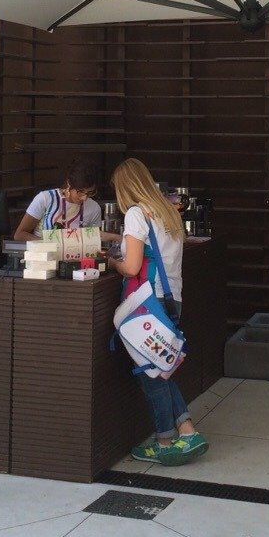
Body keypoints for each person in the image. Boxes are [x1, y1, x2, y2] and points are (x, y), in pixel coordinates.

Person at [109, 157, 208, 465]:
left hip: (146, 303)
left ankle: (164, 441)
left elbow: (131, 267)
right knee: (161, 367)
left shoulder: (136, 214)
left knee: (151, 374)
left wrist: (112, 262)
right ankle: (187, 431)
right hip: (171, 299)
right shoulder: (168, 211)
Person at [13, 159, 103, 240]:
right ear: (69, 183)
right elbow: (20, 234)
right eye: (80, 192)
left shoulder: (94, 208)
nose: (85, 198)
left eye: (90, 193)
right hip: (44, 252)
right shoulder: (46, 198)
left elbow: (94, 240)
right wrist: (48, 244)